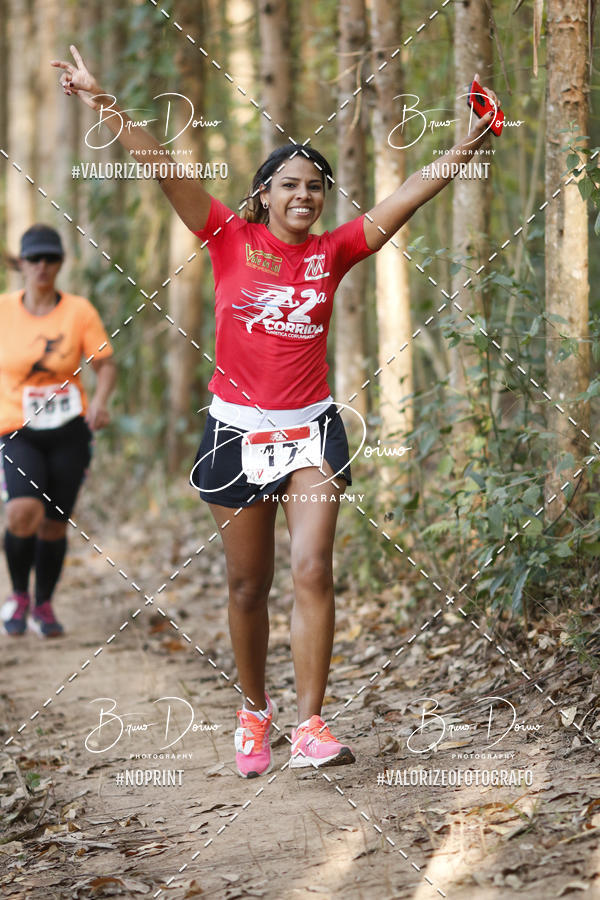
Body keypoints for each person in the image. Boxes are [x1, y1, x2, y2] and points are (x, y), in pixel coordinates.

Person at [53, 47, 500, 773]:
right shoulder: (227, 236)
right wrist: (103, 101)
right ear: (262, 195)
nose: (305, 196)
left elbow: (411, 193)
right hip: (235, 430)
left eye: (316, 187)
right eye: (290, 185)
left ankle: (311, 723)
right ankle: (254, 711)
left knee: (314, 568)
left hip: (311, 430)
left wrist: (469, 143)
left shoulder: (334, 251)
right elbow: (162, 166)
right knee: (246, 586)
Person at [0, 224, 116, 637]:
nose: (42, 266)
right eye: (34, 259)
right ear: (22, 264)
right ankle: (18, 595)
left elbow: (105, 364)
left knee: (53, 522)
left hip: (69, 429)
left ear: (61, 263)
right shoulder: (4, 310)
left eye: (50, 258)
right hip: (17, 428)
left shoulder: (79, 311)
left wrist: (100, 400)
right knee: (22, 511)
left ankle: (44, 605)